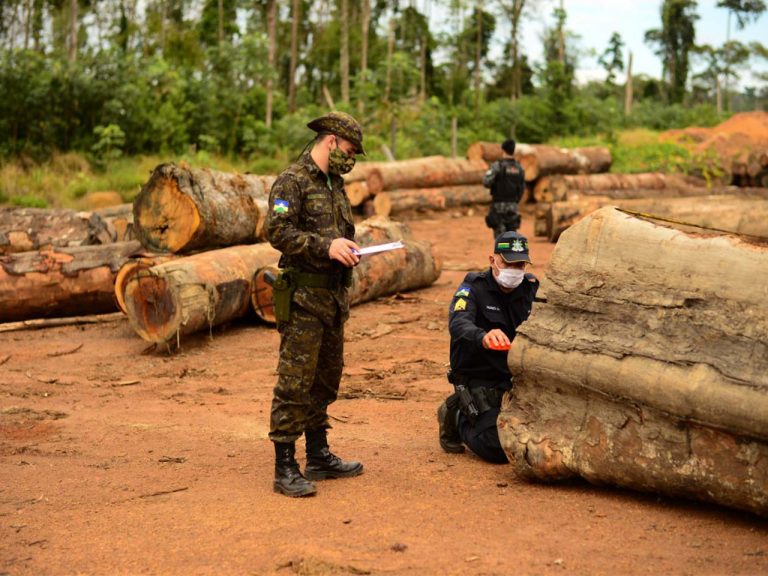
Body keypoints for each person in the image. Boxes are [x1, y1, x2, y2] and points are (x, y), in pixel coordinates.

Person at [265, 111, 366, 497]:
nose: (352, 158)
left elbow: (338, 235)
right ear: (331, 141)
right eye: (350, 150)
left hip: (333, 298)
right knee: (295, 382)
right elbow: (277, 231)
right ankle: (284, 465)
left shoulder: (335, 185)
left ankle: (318, 455)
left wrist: (347, 248)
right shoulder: (292, 181)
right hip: (304, 298)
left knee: (325, 379)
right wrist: (326, 246)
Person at [437, 231, 538, 463]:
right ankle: (455, 415)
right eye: (508, 262)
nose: (515, 270)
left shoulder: (531, 288)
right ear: (493, 260)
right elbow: (458, 323)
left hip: (516, 379)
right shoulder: (473, 288)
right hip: (480, 379)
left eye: (520, 264)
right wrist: (482, 336)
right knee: (498, 447)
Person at [482, 138, 526, 238]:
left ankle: (501, 254)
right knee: (512, 240)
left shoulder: (498, 166)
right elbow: (522, 188)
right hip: (513, 208)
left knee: (501, 242)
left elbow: (486, 182)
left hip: (498, 208)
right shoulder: (520, 168)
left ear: (503, 150)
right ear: (513, 150)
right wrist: (515, 202)